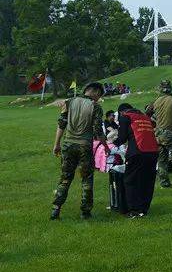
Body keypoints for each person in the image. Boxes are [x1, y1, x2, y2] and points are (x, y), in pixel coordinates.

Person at [50, 82, 105, 220]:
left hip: (68, 144)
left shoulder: (69, 102)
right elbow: (98, 131)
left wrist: (56, 144)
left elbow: (61, 124)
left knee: (65, 178)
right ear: (96, 93)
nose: (99, 98)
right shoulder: (96, 107)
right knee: (86, 179)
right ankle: (85, 212)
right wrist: (106, 146)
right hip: (84, 146)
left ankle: (55, 210)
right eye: (99, 95)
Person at [114, 102, 160, 218]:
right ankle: (144, 209)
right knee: (147, 181)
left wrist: (112, 143)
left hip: (137, 152)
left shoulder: (126, 117)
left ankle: (134, 210)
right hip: (153, 152)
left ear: (121, 112)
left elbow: (122, 138)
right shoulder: (145, 117)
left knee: (130, 180)